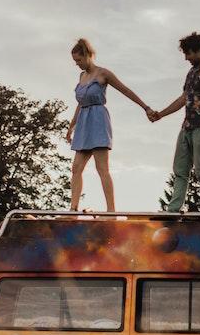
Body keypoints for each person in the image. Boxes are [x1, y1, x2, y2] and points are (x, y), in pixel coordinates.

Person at [67, 38, 156, 212]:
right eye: (74, 61)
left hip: (98, 120)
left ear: (87, 56)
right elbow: (80, 102)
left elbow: (126, 90)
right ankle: (73, 209)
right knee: (76, 168)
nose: (77, 64)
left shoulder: (103, 74)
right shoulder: (81, 76)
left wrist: (145, 107)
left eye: (78, 60)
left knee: (102, 168)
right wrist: (71, 126)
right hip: (83, 123)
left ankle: (111, 211)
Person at [148, 32, 200, 212]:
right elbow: (184, 98)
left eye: (188, 53)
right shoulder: (191, 73)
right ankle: (174, 209)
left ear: (199, 50)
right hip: (187, 127)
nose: (186, 58)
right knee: (180, 170)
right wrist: (161, 114)